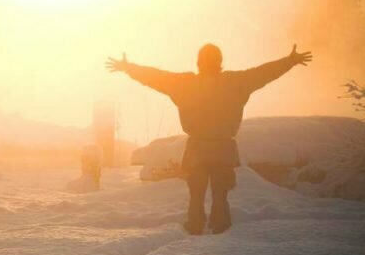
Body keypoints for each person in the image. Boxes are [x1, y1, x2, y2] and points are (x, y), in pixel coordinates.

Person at [105, 44, 312, 235]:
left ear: (198, 62)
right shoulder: (236, 82)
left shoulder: (185, 84)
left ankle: (195, 224)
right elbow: (264, 73)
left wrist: (128, 68)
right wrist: (289, 61)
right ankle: (220, 225)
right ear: (220, 62)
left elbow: (155, 77)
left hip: (197, 150)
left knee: (196, 194)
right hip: (223, 149)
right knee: (220, 194)